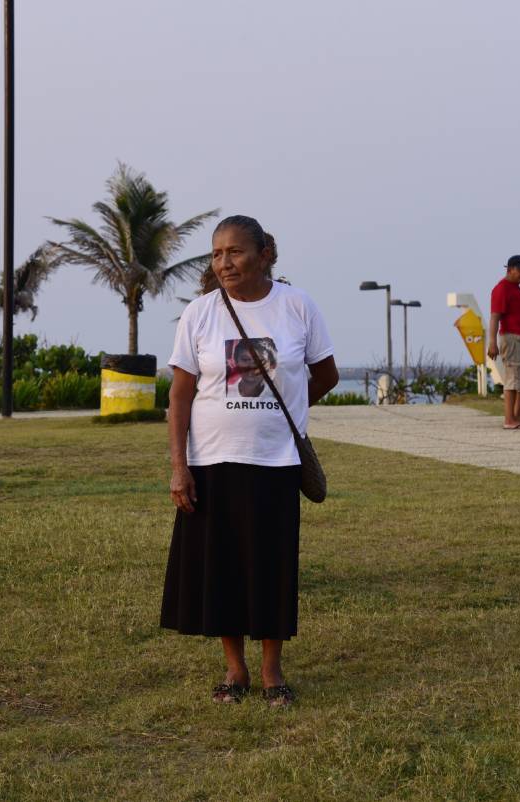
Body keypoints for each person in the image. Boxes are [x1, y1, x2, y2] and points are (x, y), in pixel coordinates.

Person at [162, 215, 338, 708]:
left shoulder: (297, 306)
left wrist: (289, 412)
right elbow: (180, 396)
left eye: (235, 252)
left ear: (264, 255)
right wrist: (179, 467)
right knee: (222, 568)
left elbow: (326, 374)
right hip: (212, 462)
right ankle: (234, 669)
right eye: (217, 254)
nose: (224, 263)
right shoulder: (200, 313)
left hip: (275, 462)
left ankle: (272, 671)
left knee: (271, 567)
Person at [486, 254, 520, 430]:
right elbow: (494, 317)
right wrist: (492, 342)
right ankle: (509, 419)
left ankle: (517, 416)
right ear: (509, 270)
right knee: (513, 379)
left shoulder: (516, 289)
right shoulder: (502, 289)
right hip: (513, 339)